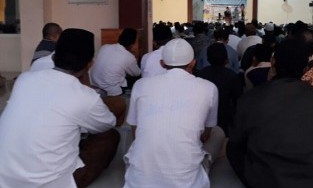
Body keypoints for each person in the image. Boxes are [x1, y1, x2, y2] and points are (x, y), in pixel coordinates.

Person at [0, 28, 119, 187]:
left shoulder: (24, 79)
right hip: (50, 183)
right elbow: (107, 123)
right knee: (110, 136)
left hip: (6, 178)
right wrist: (86, 86)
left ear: (54, 57)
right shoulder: (84, 96)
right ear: (89, 64)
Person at [227, 39, 313, 188]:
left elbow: (237, 139)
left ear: (273, 62)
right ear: (306, 69)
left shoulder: (252, 97)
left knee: (232, 146)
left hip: (267, 181)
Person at [124, 38, 225, 188]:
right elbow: (206, 135)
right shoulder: (209, 88)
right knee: (218, 132)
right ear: (193, 63)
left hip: (138, 182)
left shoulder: (140, 85)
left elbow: (134, 131)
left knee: (132, 134)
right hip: (188, 183)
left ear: (162, 63)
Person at [197, 43, 243, 137]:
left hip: (203, 117)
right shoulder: (232, 76)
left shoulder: (200, 75)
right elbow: (238, 100)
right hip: (225, 119)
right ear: (226, 60)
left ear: (208, 59)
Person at [90, 28, 141, 96]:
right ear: (132, 44)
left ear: (120, 38)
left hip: (94, 82)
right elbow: (136, 73)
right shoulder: (129, 57)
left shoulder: (105, 47)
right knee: (138, 77)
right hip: (111, 90)